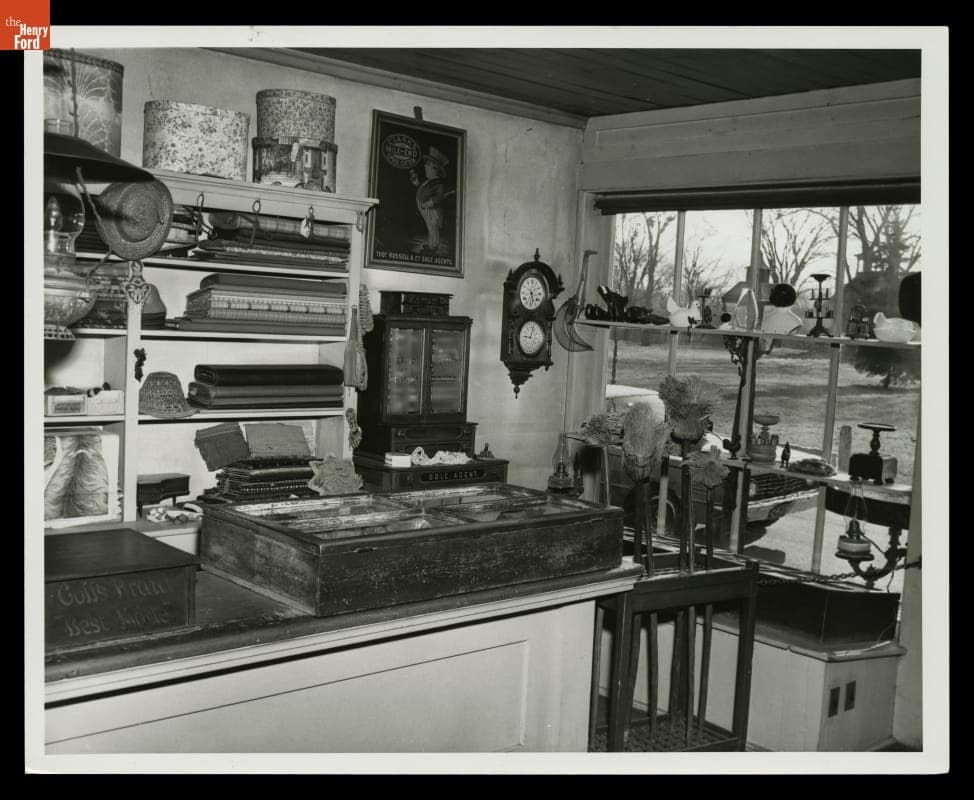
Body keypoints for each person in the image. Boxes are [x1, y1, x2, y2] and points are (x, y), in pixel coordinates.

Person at [410, 146, 451, 253]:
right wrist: (416, 182)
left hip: (433, 211)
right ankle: (432, 244)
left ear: (436, 169)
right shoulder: (427, 182)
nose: (425, 167)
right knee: (430, 227)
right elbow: (421, 189)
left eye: (428, 165)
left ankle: (433, 245)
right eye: (426, 164)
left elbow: (439, 197)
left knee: (433, 227)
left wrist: (429, 203)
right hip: (425, 210)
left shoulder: (438, 185)